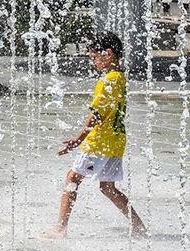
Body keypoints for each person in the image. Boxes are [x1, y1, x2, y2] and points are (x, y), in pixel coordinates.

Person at [46, 31, 145, 239]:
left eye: (93, 57)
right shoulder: (120, 77)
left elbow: (96, 115)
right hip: (116, 141)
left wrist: (77, 140)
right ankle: (139, 227)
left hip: (99, 142)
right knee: (108, 187)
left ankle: (60, 229)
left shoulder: (108, 80)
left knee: (72, 178)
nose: (93, 63)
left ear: (108, 54)